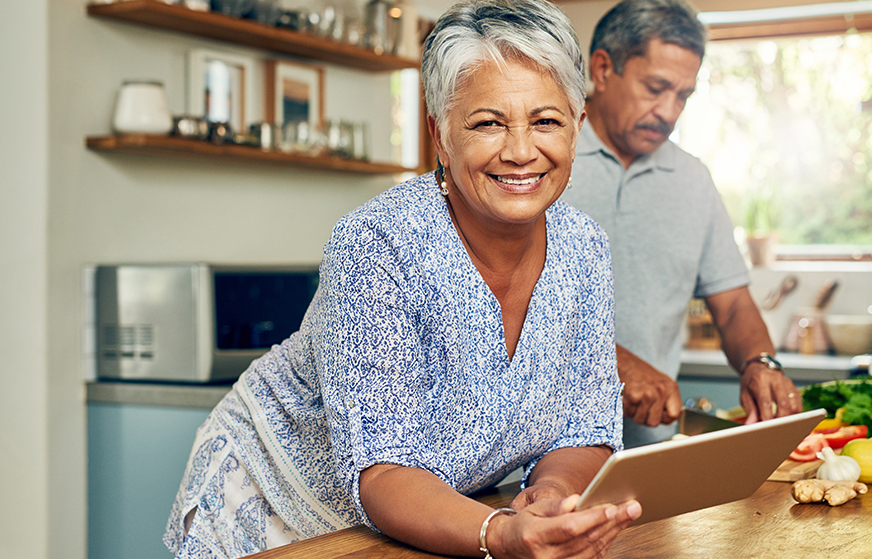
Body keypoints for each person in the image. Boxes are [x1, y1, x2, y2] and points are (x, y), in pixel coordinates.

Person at [163, 1, 641, 557]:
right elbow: (384, 470)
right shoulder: (376, 244)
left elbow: (585, 429)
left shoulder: (584, 249)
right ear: (440, 135)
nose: (520, 151)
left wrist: (550, 495)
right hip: (277, 509)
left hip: (438, 521)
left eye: (546, 121)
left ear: (577, 128)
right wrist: (500, 533)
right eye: (488, 122)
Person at [560, 0, 801, 448]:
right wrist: (609, 363)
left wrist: (759, 362)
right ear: (602, 68)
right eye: (656, 87)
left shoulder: (693, 181)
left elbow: (731, 305)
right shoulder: (540, 157)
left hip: (646, 451)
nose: (669, 112)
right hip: (528, 460)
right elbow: (498, 302)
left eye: (684, 95)